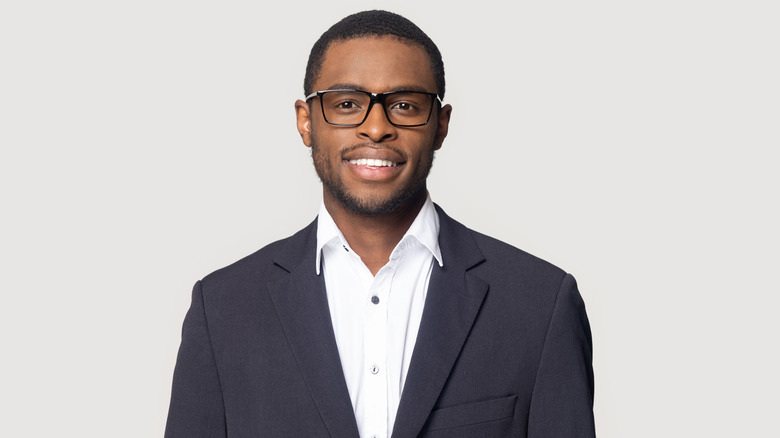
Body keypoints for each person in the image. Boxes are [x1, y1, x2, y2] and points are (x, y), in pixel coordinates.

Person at [165, 10, 595, 438]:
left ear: (440, 126)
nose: (376, 128)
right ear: (305, 121)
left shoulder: (538, 305)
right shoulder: (222, 309)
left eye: (404, 105)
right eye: (347, 104)